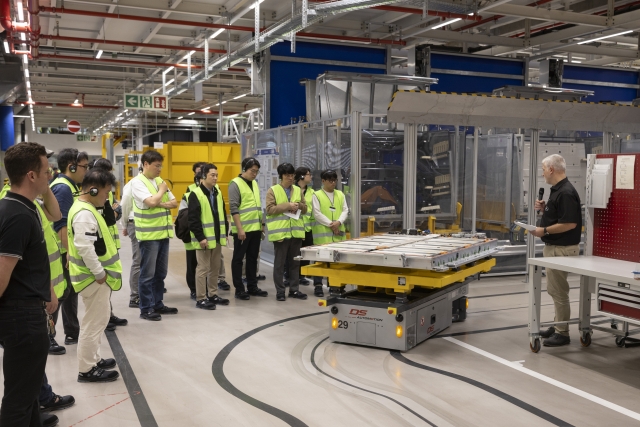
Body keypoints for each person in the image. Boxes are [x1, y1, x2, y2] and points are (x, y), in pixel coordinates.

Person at [0, 142, 58, 425]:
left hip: (26, 311)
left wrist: (47, 289)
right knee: (19, 400)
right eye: (47, 171)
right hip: (21, 318)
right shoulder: (19, 215)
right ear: (32, 176)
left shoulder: (17, 207)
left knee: (28, 394)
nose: (50, 176)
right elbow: (2, 273)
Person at [67, 168, 122, 382]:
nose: (107, 198)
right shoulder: (84, 214)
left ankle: (93, 359)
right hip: (92, 278)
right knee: (93, 323)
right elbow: (85, 248)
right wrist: (100, 274)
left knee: (98, 320)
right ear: (92, 190)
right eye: (105, 192)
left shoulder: (87, 208)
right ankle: (87, 369)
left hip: (92, 278)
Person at [531, 154, 582, 347]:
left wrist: (543, 230)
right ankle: (558, 323)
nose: (543, 172)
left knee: (559, 291)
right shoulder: (558, 191)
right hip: (555, 247)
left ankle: (562, 332)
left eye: (543, 168)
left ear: (551, 169)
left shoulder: (566, 192)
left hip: (562, 249)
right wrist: (546, 209)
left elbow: (569, 223)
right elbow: (560, 216)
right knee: (555, 289)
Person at [131, 151, 178, 321]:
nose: (160, 169)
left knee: (160, 273)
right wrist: (162, 192)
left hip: (163, 234)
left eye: (161, 165)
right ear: (145, 164)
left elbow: (174, 203)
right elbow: (150, 202)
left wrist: (159, 201)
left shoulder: (159, 181)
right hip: (149, 236)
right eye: (157, 165)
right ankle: (146, 308)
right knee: (147, 274)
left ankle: (158, 303)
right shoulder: (137, 183)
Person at [50, 148, 89, 348]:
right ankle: (48, 335)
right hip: (60, 251)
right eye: (84, 166)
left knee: (70, 290)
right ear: (71, 166)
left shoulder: (71, 186)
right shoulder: (63, 188)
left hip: (67, 249)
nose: (86, 170)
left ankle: (72, 331)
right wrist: (68, 252)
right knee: (59, 292)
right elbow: (61, 224)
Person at [88, 158, 127, 330]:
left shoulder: (107, 191)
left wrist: (115, 210)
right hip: (100, 243)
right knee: (100, 285)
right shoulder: (94, 191)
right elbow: (110, 215)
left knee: (108, 284)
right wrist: (115, 210)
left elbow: (113, 215)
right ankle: (103, 318)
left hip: (110, 241)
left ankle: (108, 314)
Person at [187, 163, 230, 310]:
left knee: (215, 268)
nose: (215, 178)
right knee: (203, 268)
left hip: (217, 238)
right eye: (212, 175)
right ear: (203, 176)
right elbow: (193, 219)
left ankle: (212, 294)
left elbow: (223, 214)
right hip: (204, 240)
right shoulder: (195, 194)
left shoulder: (217, 192)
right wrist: (200, 237)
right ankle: (201, 298)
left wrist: (225, 233)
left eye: (216, 175)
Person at [266, 163, 308, 301]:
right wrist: (287, 206)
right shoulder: (273, 190)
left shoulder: (297, 190)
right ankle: (280, 291)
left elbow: (305, 209)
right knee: (279, 264)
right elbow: (270, 209)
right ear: (281, 176)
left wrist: (298, 206)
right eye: (287, 175)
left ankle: (294, 290)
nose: (290, 178)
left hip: (295, 232)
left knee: (295, 263)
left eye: (292, 175)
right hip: (281, 234)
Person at [229, 157, 268, 300]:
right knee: (238, 259)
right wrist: (240, 229)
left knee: (253, 258)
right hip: (243, 229)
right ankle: (239, 289)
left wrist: (262, 224)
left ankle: (252, 286)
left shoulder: (255, 184)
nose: (255, 174)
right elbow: (233, 208)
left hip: (255, 229)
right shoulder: (235, 184)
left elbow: (259, 206)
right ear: (244, 168)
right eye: (252, 171)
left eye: (257, 171)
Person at [312, 169, 349, 297]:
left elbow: (345, 210)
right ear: (323, 181)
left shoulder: (340, 194)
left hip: (338, 236)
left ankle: (335, 286)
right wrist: (331, 225)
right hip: (322, 235)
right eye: (330, 181)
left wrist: (338, 222)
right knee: (320, 262)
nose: (333, 183)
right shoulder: (317, 195)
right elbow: (317, 213)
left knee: (336, 262)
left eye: (335, 180)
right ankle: (318, 286)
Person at [181, 162, 207, 300]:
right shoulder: (190, 191)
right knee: (192, 264)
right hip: (192, 237)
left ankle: (205, 288)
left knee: (205, 265)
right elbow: (184, 216)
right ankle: (194, 289)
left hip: (207, 235)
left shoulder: (214, 190)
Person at [120, 166, 142, 308]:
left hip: (150, 227)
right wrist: (125, 224)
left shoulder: (156, 183)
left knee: (147, 262)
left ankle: (143, 293)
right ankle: (134, 296)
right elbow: (125, 206)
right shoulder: (132, 184)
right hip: (136, 224)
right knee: (138, 261)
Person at [294, 166, 314, 286]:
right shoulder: (293, 190)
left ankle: (302, 275)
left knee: (305, 253)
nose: (310, 176)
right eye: (308, 174)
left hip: (307, 227)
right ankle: (291, 275)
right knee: (294, 253)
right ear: (302, 176)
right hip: (295, 226)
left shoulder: (312, 192)